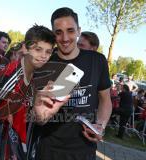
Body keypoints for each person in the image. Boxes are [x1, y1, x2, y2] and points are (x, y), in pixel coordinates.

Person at [33, 7, 112, 160]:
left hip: (84, 149)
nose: (65, 38)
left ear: (78, 31)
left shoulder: (97, 60)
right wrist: (40, 113)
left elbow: (105, 99)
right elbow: (39, 118)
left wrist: (100, 126)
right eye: (58, 32)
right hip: (49, 149)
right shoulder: (44, 63)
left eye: (70, 30)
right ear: (53, 34)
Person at [0, 24, 55, 160]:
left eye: (48, 52)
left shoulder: (33, 77)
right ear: (26, 48)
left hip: (13, 139)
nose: (43, 56)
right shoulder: (12, 73)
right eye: (38, 49)